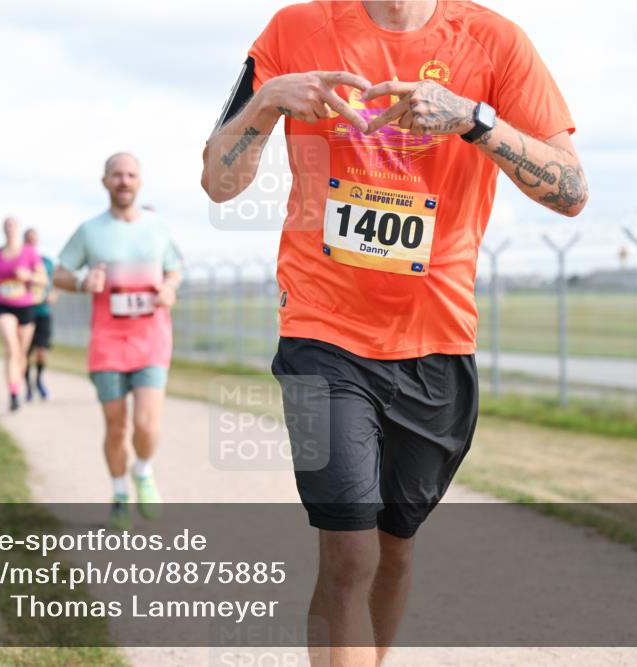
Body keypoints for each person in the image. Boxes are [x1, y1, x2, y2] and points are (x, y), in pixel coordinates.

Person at [201, 1, 589, 663]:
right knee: (348, 548)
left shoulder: (495, 42)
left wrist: (473, 118)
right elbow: (217, 181)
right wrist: (269, 100)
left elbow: (572, 188)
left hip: (436, 336)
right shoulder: (293, 29)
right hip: (322, 329)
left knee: (393, 546)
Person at [53, 152, 182, 531]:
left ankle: (142, 470)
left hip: (152, 338)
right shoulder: (90, 231)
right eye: (117, 175)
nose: (124, 181)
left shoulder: (158, 227)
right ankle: (119, 494)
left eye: (131, 175)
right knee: (116, 427)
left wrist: (170, 288)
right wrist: (81, 282)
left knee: (146, 423)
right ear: (105, 181)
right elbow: (59, 273)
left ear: (140, 182)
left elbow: (174, 270)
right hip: (108, 341)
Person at [0, 217, 48, 412]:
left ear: (18, 229)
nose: (10, 228)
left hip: (25, 306)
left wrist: (28, 276)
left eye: (13, 225)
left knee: (21, 353)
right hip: (2, 305)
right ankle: (13, 394)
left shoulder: (29, 253)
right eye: (7, 225)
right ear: (3, 229)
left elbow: (43, 279)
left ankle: (16, 385)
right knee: (12, 349)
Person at [23, 227, 57, 401]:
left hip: (43, 311)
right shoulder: (19, 261)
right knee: (24, 353)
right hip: (24, 311)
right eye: (28, 239)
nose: (31, 242)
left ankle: (39, 381)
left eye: (33, 239)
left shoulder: (46, 262)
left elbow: (56, 282)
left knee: (41, 352)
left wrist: (54, 294)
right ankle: (27, 387)